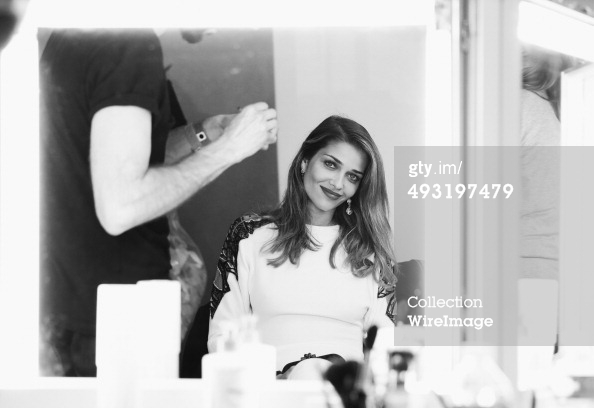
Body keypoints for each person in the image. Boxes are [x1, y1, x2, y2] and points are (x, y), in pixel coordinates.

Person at [39, 28, 278, 376]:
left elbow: (117, 160)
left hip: (70, 307)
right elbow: (122, 205)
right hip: (117, 318)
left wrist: (206, 134)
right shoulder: (129, 42)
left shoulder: (80, 32)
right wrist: (231, 149)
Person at [207, 115, 397, 379]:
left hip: (342, 391)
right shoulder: (249, 235)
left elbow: (385, 350)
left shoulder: (371, 250)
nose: (338, 183)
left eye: (352, 176)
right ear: (305, 161)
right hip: (269, 389)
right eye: (330, 164)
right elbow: (222, 337)